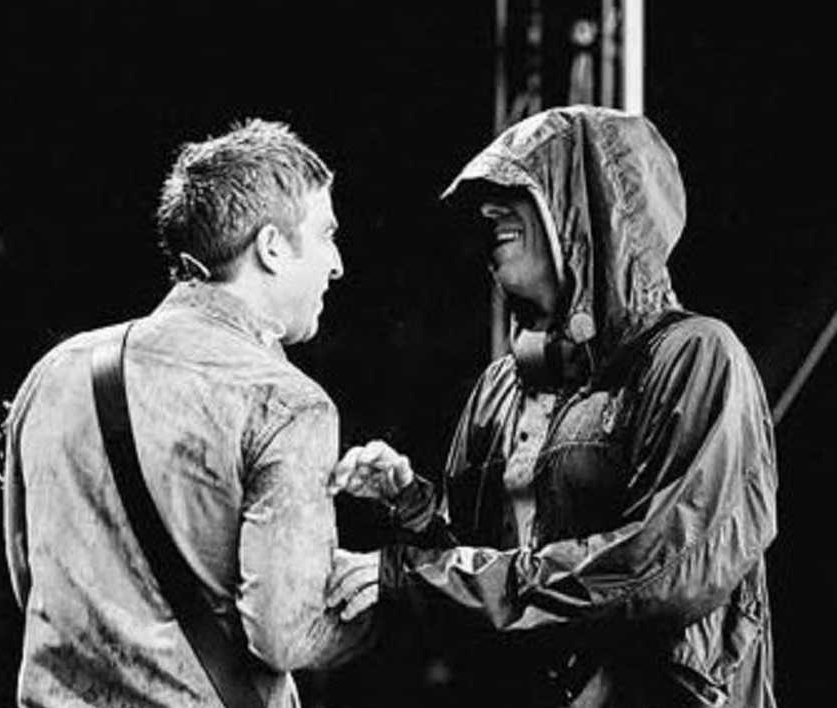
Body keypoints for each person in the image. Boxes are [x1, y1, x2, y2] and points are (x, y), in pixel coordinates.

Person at [328, 106, 778, 707]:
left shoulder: (696, 356)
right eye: (486, 199)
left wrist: (414, 579)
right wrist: (415, 512)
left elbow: (668, 566)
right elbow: (488, 583)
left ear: (594, 212)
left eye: (517, 190)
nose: (488, 212)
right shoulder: (499, 387)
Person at [3, 119, 376, 707]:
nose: (337, 264)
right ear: (272, 247)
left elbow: (29, 577)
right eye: (326, 235)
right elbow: (285, 637)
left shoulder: (56, 371)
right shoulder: (286, 402)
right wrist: (372, 603)